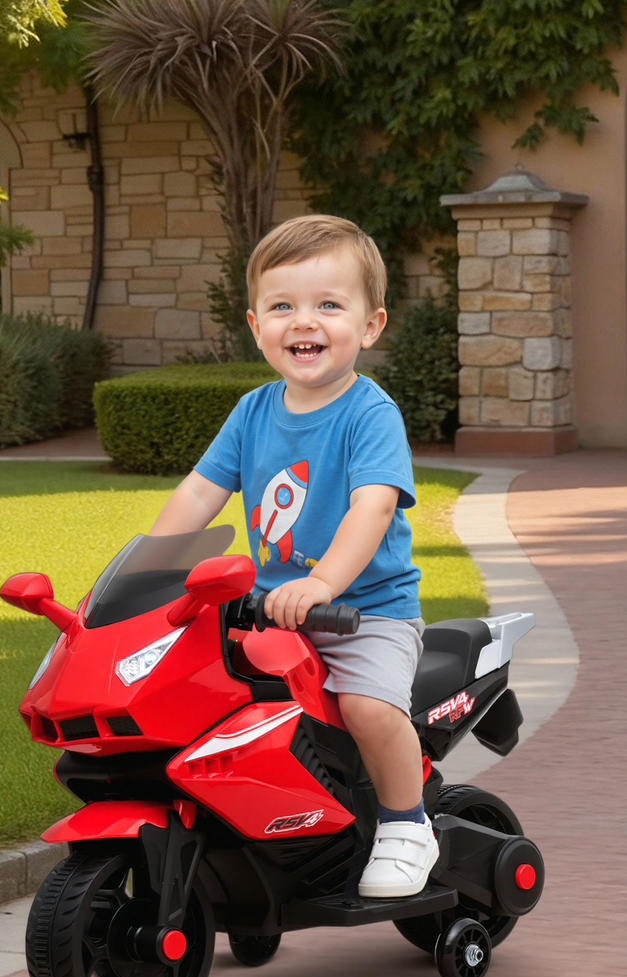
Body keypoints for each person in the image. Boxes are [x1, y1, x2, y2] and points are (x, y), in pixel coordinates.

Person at [149, 213, 436, 899]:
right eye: (283, 307)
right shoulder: (252, 411)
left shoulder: (370, 414)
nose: (303, 322)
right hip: (269, 615)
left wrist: (322, 583)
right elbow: (198, 493)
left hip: (365, 615)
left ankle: (406, 822)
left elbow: (373, 506)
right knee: (212, 707)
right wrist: (148, 571)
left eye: (328, 305)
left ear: (370, 326)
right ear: (255, 325)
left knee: (365, 707)